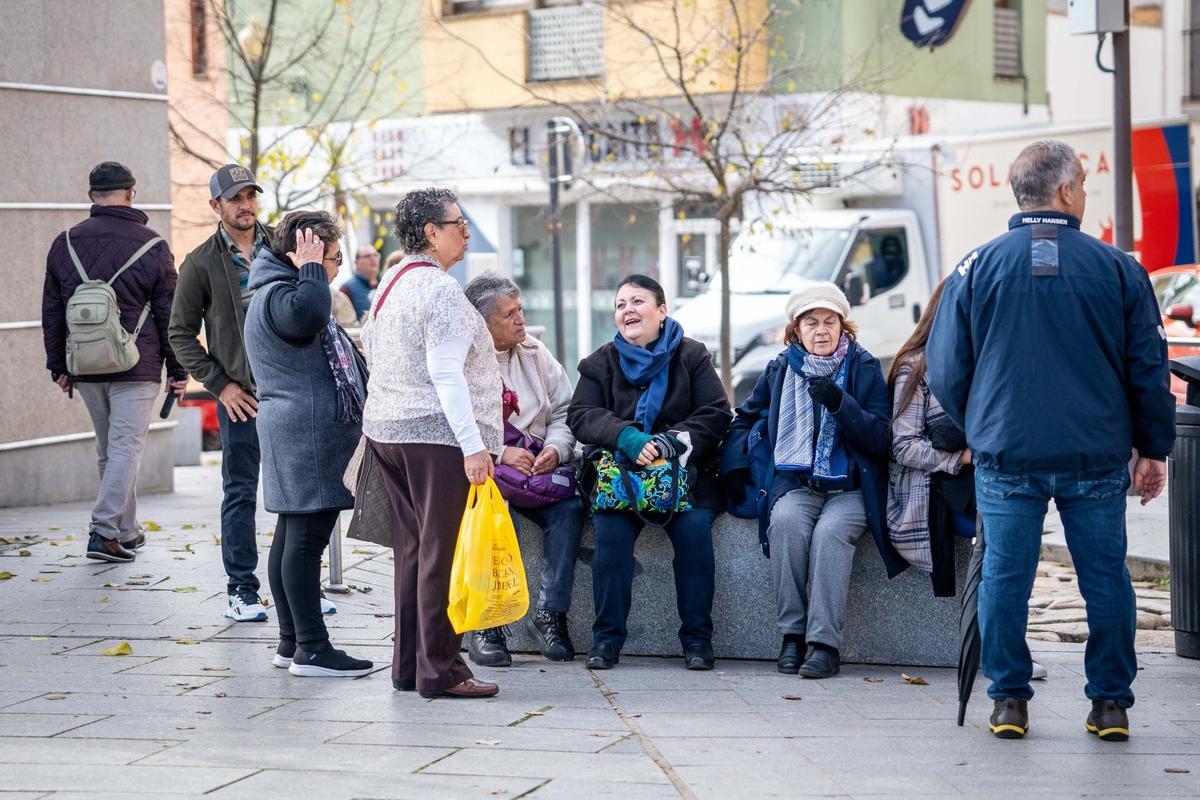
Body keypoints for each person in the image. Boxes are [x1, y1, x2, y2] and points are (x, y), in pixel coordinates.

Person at [927, 139, 1174, 741]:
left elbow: (945, 369)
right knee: (1106, 578)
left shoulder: (975, 266)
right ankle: (1110, 703)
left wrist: (978, 424)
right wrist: (1153, 447)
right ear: (1066, 192)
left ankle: (1009, 699)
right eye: (1083, 184)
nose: (1084, 193)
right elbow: (1147, 367)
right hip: (1095, 453)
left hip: (1007, 452)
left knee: (1006, 578)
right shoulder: (1118, 267)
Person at [362, 187, 502, 699]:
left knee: (413, 551)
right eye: (458, 223)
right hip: (434, 437)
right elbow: (447, 375)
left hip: (388, 430)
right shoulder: (440, 290)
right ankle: (442, 671)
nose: (465, 232)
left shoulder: (390, 284)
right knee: (440, 554)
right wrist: (473, 445)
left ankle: (409, 666)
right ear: (430, 232)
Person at [723, 283, 898, 679]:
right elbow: (745, 417)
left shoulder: (864, 366)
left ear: (843, 327)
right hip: (797, 483)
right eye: (811, 323)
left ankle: (823, 645)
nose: (821, 331)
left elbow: (880, 438)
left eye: (829, 322)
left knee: (831, 534)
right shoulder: (781, 367)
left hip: (852, 488)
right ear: (796, 331)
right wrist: (735, 469)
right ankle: (792, 635)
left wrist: (840, 403)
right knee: (785, 523)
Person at [568, 275, 732, 671]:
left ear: (661, 311)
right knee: (610, 540)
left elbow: (716, 413)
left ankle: (697, 641)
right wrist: (626, 437)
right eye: (621, 304)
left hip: (685, 477)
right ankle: (606, 641)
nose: (628, 310)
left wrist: (668, 443)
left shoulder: (692, 356)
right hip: (622, 480)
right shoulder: (599, 362)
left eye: (637, 301)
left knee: (694, 535)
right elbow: (581, 415)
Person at [887, 281, 1049, 680]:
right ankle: (1001, 654)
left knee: (1020, 526)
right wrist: (961, 456)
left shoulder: (992, 361)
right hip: (935, 488)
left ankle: (1006, 648)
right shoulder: (917, 364)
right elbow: (902, 445)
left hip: (989, 478)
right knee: (1003, 534)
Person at [242, 210, 372, 677]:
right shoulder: (285, 294)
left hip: (296, 429)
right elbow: (311, 314)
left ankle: (291, 642)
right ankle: (313, 650)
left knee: (292, 539)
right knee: (305, 542)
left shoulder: (269, 291)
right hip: (307, 431)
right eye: (333, 257)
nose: (336, 268)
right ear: (305, 250)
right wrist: (312, 268)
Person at [42, 161, 187, 563]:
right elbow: (168, 315)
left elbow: (52, 310)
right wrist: (178, 371)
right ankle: (103, 531)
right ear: (130, 194)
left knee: (111, 450)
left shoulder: (64, 243)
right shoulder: (153, 246)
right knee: (125, 448)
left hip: (85, 365)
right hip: (136, 367)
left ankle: (127, 529)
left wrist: (58, 365)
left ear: (91, 196)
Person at [169, 164, 273, 622]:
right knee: (240, 493)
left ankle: (301, 590)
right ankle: (241, 590)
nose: (245, 204)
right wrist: (221, 385)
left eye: (250, 195)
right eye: (235, 198)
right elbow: (180, 334)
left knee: (305, 496)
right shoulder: (201, 262)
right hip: (242, 398)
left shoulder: (282, 245)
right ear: (216, 206)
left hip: (291, 392)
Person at [463, 273, 582, 665]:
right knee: (495, 515)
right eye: (509, 314)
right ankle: (486, 623)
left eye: (521, 310)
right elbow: (454, 424)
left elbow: (565, 411)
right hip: (489, 473)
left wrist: (556, 448)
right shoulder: (464, 359)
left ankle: (550, 614)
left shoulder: (535, 352)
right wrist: (498, 453)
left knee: (569, 511)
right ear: (483, 322)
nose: (521, 320)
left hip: (538, 470)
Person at [340, 245, 380, 320]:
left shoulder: (387, 284)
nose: (373, 258)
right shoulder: (346, 289)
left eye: (375, 255)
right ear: (356, 263)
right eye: (367, 256)